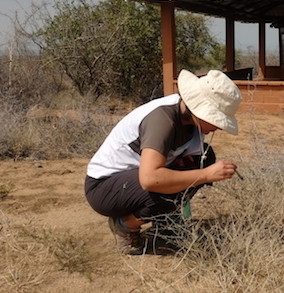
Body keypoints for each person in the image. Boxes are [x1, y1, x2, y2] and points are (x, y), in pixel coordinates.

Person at [84, 69, 243, 255]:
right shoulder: (163, 120)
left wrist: (197, 170)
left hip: (132, 180)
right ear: (201, 111)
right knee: (169, 188)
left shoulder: (190, 121)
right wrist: (205, 175)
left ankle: (165, 222)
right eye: (217, 119)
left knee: (205, 159)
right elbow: (150, 179)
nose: (219, 127)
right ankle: (125, 225)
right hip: (104, 188)